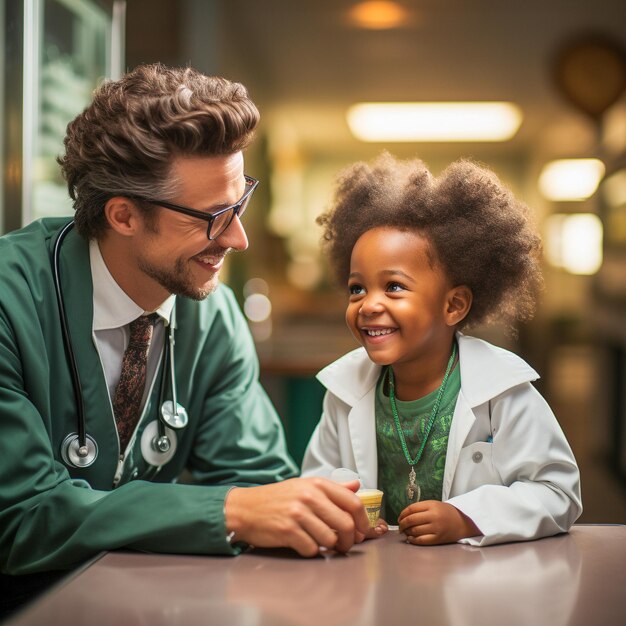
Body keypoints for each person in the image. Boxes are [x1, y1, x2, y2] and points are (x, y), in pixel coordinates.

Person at [0, 63, 369, 583]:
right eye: (213, 216)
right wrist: (227, 513)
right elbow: (18, 520)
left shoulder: (211, 315)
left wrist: (279, 511)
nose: (239, 238)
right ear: (123, 216)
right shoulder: (8, 301)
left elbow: (258, 482)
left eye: (240, 202)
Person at [301, 152, 582, 546]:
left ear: (453, 305)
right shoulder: (344, 391)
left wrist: (467, 517)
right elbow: (315, 482)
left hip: (476, 583)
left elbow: (557, 493)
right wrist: (341, 513)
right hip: (375, 577)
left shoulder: (504, 391)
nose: (368, 304)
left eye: (394, 286)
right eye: (357, 288)